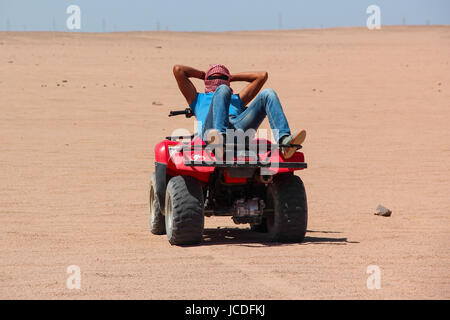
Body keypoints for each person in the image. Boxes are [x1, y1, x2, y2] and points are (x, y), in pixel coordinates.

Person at [172, 64, 306, 159]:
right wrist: (204, 75)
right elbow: (178, 70)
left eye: (224, 79)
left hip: (237, 129)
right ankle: (219, 141)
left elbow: (262, 76)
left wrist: (230, 76)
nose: (218, 81)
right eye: (213, 79)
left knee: (268, 93)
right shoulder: (198, 98)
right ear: (207, 81)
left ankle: (284, 141)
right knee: (223, 90)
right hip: (210, 132)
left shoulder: (237, 98)